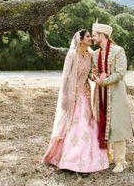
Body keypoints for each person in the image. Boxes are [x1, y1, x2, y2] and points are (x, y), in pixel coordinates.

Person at [41, 29, 109, 173]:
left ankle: (85, 159)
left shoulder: (90, 54)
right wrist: (65, 96)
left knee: (86, 122)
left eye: (91, 36)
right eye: (88, 36)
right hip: (73, 94)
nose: (91, 38)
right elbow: (65, 77)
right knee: (74, 123)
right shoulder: (72, 55)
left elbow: (90, 74)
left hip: (85, 93)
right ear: (81, 39)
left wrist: (97, 78)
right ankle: (69, 159)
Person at [91, 21, 134, 173]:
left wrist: (104, 81)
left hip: (116, 93)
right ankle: (106, 157)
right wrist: (95, 77)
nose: (93, 38)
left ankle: (120, 161)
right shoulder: (95, 54)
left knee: (117, 126)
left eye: (95, 35)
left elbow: (121, 72)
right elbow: (93, 71)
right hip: (100, 94)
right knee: (102, 123)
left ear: (102, 35)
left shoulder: (118, 51)